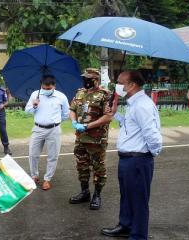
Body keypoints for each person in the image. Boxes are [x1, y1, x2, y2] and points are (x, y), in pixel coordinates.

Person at [101, 71, 162, 239]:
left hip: (138, 159)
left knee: (138, 200)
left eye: (120, 82)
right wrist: (114, 114)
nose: (117, 86)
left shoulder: (142, 105)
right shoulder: (134, 103)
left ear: (132, 85)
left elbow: (151, 133)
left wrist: (151, 152)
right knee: (127, 196)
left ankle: (138, 235)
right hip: (128, 159)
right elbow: (131, 126)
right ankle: (126, 225)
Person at [69, 68, 113, 210]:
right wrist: (74, 122)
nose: (85, 81)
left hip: (96, 139)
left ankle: (97, 195)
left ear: (96, 80)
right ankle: (85, 192)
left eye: (88, 79)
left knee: (98, 168)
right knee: (82, 166)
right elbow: (72, 109)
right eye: (84, 78)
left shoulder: (105, 95)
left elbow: (108, 116)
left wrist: (88, 126)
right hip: (80, 138)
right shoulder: (80, 92)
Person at [25, 75, 69, 190]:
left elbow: (65, 114)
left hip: (54, 129)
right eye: (44, 88)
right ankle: (34, 176)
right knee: (33, 154)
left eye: (49, 89)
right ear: (41, 85)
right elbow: (27, 111)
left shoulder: (61, 97)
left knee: (53, 156)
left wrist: (55, 122)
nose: (46, 90)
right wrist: (34, 106)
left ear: (54, 86)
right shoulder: (35, 94)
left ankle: (47, 179)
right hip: (38, 129)